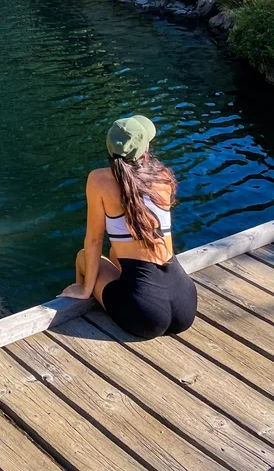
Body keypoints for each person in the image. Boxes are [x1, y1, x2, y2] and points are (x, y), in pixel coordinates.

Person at [60, 114, 197, 339]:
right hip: (186, 302)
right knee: (116, 253)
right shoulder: (163, 176)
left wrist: (85, 288)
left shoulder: (99, 180)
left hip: (143, 315)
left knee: (83, 256)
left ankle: (82, 296)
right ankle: (124, 288)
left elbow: (94, 239)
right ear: (144, 152)